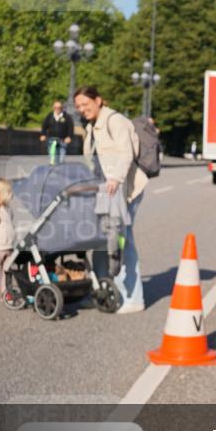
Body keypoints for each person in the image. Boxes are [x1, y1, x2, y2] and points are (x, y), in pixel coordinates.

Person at [76, 85, 149, 313]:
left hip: (124, 191)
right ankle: (101, 292)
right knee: (101, 240)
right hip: (104, 193)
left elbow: (126, 153)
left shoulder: (115, 120)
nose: (82, 109)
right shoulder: (92, 126)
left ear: (98, 100)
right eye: (78, 106)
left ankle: (133, 298)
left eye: (85, 104)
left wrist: (116, 179)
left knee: (122, 240)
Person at [41, 100, 74, 165]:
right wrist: (43, 134)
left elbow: (70, 127)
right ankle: (53, 168)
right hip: (52, 139)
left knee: (61, 159)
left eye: (59, 107)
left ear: (62, 108)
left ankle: (61, 168)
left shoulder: (66, 117)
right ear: (53, 108)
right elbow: (44, 125)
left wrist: (69, 137)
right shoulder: (50, 116)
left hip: (63, 140)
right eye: (55, 107)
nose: (57, 109)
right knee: (53, 158)